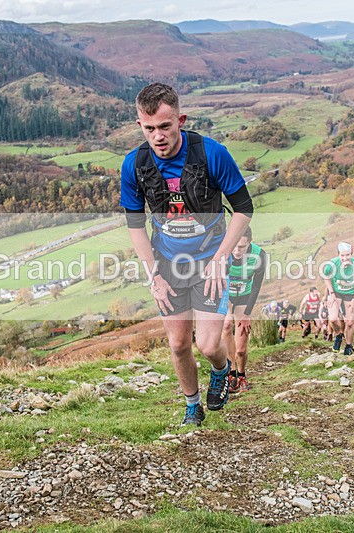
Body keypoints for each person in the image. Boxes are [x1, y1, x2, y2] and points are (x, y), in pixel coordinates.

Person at [120, 83, 253, 426]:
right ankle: (192, 406)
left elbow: (243, 209)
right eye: (149, 129)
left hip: (211, 259)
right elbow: (136, 227)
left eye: (165, 126)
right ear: (140, 126)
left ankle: (221, 370)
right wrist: (154, 276)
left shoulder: (212, 153)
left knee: (209, 345)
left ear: (181, 119)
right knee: (179, 344)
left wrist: (222, 259)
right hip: (168, 263)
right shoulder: (134, 165)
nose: (158, 136)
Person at [222, 227, 266, 394]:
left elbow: (256, 286)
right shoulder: (224, 251)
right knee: (226, 325)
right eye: (234, 246)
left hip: (244, 297)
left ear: (249, 242)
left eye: (242, 247)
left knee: (241, 348)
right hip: (226, 295)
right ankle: (231, 374)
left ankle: (242, 375)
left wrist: (247, 314)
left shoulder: (259, 255)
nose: (236, 251)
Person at [322, 241, 354, 356]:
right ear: (338, 254)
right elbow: (326, 277)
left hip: (350, 294)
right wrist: (331, 293)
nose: (345, 258)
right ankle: (339, 335)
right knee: (332, 319)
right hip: (336, 292)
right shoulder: (332, 264)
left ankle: (349, 345)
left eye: (347, 255)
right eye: (342, 255)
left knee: (350, 322)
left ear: (351, 253)